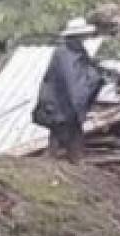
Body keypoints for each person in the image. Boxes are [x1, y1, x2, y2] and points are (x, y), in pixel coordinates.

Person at [32, 18, 105, 163]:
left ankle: (67, 163)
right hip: (61, 105)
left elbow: (83, 74)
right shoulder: (67, 53)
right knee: (66, 137)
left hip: (60, 105)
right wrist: (95, 79)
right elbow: (75, 82)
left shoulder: (73, 51)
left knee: (66, 136)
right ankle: (66, 163)